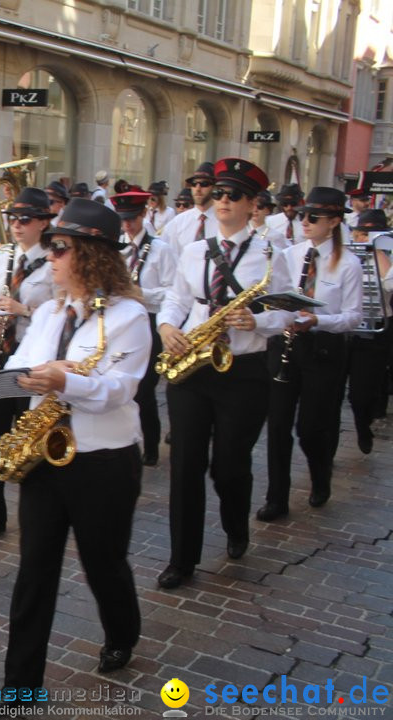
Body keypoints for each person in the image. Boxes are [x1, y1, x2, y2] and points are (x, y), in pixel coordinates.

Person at [0, 199, 150, 713]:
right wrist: (24, 376)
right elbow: (19, 363)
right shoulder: (48, 312)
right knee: (34, 571)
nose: (50, 257)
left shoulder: (129, 317)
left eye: (59, 248)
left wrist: (66, 380)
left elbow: (119, 390)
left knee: (103, 562)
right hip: (45, 457)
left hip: (103, 460)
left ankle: (122, 632)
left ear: (90, 255)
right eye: (51, 246)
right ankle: (19, 691)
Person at [155, 158, 291, 590]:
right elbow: (178, 299)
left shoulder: (272, 255)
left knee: (229, 466)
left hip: (244, 370)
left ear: (253, 204)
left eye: (234, 195)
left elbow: (286, 310)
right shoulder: (195, 250)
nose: (223, 202)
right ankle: (183, 559)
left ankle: (236, 526)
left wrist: (261, 322)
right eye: (219, 194)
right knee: (185, 465)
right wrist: (166, 326)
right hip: (193, 368)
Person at [258, 187, 362, 520]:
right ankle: (276, 497)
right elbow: (277, 294)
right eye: (304, 215)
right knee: (277, 426)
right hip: (286, 343)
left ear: (333, 222)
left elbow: (353, 316)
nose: (305, 221)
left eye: (313, 217)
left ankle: (320, 478)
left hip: (323, 348)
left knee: (311, 427)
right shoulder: (290, 253)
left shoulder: (348, 263)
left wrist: (318, 319)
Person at [0, 187, 55, 542]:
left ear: (43, 223)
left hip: (35, 361)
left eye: (26, 220)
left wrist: (25, 311)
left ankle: (37, 514)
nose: (17, 226)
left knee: (30, 438)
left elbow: (61, 317)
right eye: (13, 219)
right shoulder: (3, 256)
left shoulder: (53, 262)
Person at [113, 189, 176, 467]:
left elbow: (174, 292)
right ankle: (126, 438)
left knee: (145, 386)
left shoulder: (161, 249)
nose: (127, 225)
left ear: (144, 215)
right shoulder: (116, 246)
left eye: (132, 219)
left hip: (148, 320)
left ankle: (150, 444)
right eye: (123, 219)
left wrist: (143, 293)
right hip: (119, 319)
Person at [344, 209, 393, 454]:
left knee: (361, 395)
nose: (363, 238)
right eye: (361, 233)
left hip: (375, 331)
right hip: (343, 330)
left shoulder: (387, 253)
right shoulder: (345, 252)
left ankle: (364, 426)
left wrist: (378, 252)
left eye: (370, 234)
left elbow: (391, 284)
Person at [162, 162, 217, 259]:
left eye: (204, 184)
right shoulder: (177, 223)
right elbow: (169, 260)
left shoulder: (225, 223)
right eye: (194, 184)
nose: (198, 188)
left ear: (214, 187)